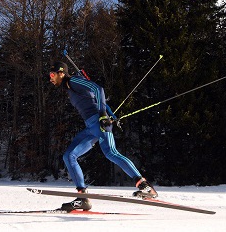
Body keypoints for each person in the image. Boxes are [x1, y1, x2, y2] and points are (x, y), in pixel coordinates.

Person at [48, 61, 158, 211]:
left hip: (98, 123)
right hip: (91, 126)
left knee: (111, 153)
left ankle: (145, 187)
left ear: (61, 73)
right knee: (69, 155)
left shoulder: (73, 81)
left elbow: (98, 89)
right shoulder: (69, 87)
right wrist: (111, 114)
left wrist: (103, 116)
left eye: (52, 74)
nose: (50, 78)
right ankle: (83, 198)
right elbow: (98, 99)